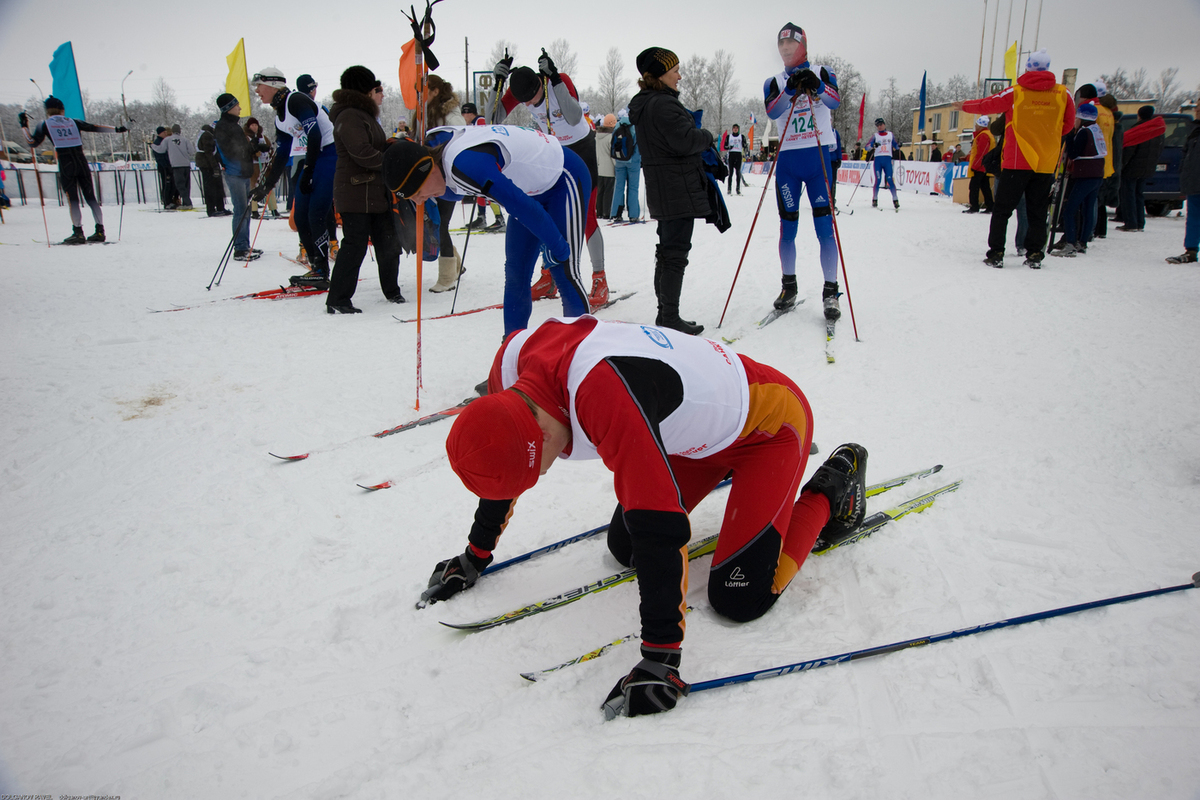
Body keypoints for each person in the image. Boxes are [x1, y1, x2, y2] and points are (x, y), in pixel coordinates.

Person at [427, 314, 869, 719]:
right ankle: (740, 482)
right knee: (625, 549)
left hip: (769, 426)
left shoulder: (601, 393)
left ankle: (833, 487)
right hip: (692, 437)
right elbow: (500, 452)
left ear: (540, 432)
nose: (543, 474)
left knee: (739, 598)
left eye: (540, 469)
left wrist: (661, 657)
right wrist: (474, 555)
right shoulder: (511, 370)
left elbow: (660, 526)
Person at [382, 124, 590, 337]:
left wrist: (559, 248)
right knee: (516, 273)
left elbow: (522, 207)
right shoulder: (439, 166)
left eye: (417, 192)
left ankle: (580, 352)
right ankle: (511, 351)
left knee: (563, 268)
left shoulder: (467, 164)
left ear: (427, 168)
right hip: (529, 190)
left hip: (562, 176)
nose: (418, 201)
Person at [488, 51, 607, 311]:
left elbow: (575, 117)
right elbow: (492, 120)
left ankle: (600, 278)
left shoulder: (556, 80)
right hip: (555, 152)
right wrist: (497, 84)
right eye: (525, 101)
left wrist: (555, 79)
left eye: (534, 97)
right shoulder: (520, 90)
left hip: (582, 148)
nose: (530, 103)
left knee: (586, 216)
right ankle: (549, 277)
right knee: (546, 215)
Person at [631, 46, 720, 334]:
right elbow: (684, 141)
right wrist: (706, 136)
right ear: (660, 75)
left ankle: (666, 314)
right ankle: (669, 317)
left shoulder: (647, 104)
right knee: (675, 254)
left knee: (667, 252)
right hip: (676, 188)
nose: (679, 76)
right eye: (674, 71)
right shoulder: (663, 104)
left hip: (664, 188)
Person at [959, 48, 1074, 268]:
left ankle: (996, 254)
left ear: (1028, 67)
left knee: (1003, 210)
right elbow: (1067, 126)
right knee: (1038, 211)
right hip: (1045, 163)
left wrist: (964, 105)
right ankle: (1034, 255)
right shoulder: (1063, 94)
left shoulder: (1017, 91)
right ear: (1048, 68)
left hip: (1016, 161)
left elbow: (988, 104)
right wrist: (1046, 136)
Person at [763, 24, 842, 318]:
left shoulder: (823, 71)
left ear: (803, 46)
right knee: (788, 228)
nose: (785, 49)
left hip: (818, 158)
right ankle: (789, 287)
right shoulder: (773, 80)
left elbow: (834, 99)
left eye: (791, 45)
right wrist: (791, 89)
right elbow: (772, 110)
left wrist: (817, 86)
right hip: (788, 164)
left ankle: (831, 292)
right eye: (781, 45)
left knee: (824, 228)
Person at [324, 65, 405, 313]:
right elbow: (361, 152)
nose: (379, 92)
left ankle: (392, 290)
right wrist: (392, 161)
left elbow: (375, 146)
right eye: (376, 88)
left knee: (388, 242)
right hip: (355, 191)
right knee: (355, 246)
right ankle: (338, 299)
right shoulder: (350, 115)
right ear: (365, 90)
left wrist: (393, 146)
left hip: (374, 191)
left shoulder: (364, 115)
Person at [250, 67, 339, 288]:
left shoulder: (295, 100)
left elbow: (316, 134)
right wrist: (266, 185)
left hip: (329, 154)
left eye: (259, 86)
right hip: (314, 158)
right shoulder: (279, 117)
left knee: (316, 212)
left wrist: (308, 170)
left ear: (273, 84)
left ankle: (322, 271)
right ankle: (317, 267)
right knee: (300, 216)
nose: (257, 91)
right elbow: (281, 153)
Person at [20, 96, 127, 243]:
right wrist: (118, 129)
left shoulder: (44, 124)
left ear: (47, 110)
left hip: (66, 164)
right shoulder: (74, 121)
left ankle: (78, 232)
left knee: (73, 199)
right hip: (81, 162)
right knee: (91, 198)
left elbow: (32, 142)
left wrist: (24, 125)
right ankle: (100, 231)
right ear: (62, 109)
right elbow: (94, 127)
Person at [424, 74, 467, 293]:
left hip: (448, 179)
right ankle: (455, 263)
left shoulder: (451, 113)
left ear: (435, 91)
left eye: (423, 90)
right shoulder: (425, 112)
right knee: (436, 224)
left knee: (440, 226)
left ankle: (447, 277)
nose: (419, 95)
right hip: (430, 176)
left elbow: (461, 140)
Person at [213, 93, 267, 262]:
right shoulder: (223, 127)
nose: (240, 108)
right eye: (237, 106)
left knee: (245, 210)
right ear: (229, 108)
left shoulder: (234, 126)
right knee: (241, 211)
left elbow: (243, 148)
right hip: (235, 173)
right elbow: (231, 151)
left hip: (243, 173)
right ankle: (240, 248)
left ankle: (244, 244)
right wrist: (250, 148)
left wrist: (255, 146)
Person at [1050, 102, 1106, 258]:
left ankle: (1070, 243)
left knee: (1070, 210)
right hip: (1097, 173)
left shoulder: (1083, 132)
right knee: (1088, 209)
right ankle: (1082, 242)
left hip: (1085, 174)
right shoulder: (1096, 129)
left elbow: (1074, 152)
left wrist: (1069, 137)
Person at [1118, 105, 1166, 233]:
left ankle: (1131, 223)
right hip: (1146, 168)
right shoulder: (1158, 131)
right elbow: (1159, 149)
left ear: (1139, 115)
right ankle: (1140, 222)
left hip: (1132, 168)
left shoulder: (1138, 129)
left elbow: (1129, 150)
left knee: (1128, 196)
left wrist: (1121, 166)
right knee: (1139, 195)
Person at [459, 102, 506, 231]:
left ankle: (499, 219)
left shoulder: (479, 121)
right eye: (463, 113)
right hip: (479, 159)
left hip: (487, 159)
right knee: (478, 189)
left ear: (472, 113)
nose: (465, 116)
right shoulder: (471, 124)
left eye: (467, 113)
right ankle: (481, 218)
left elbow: (484, 138)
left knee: (487, 189)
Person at [1165, 103, 1199, 263]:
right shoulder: (1195, 131)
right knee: (1193, 217)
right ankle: (1191, 250)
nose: (1197, 110)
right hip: (1194, 182)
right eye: (1197, 106)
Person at [151, 123, 196, 211]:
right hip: (186, 165)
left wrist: (152, 145)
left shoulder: (167, 139)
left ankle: (187, 203)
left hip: (176, 165)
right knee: (186, 185)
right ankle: (186, 201)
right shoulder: (185, 140)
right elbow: (191, 151)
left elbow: (161, 150)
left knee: (180, 185)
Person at [609, 109, 642, 222]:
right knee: (633, 188)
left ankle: (616, 213)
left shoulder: (618, 124)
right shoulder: (636, 126)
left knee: (619, 187)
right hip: (633, 162)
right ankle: (633, 214)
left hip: (619, 161)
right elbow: (639, 145)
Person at [244, 117, 278, 219]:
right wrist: (254, 154)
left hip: (265, 164)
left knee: (268, 186)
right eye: (252, 125)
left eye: (256, 125)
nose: (254, 127)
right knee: (255, 187)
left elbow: (270, 149)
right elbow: (245, 151)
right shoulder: (247, 137)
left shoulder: (263, 137)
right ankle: (254, 210)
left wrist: (271, 157)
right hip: (254, 166)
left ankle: (273, 209)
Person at [869, 115, 904, 211]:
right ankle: (875, 198)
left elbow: (896, 146)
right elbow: (867, 147)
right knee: (878, 180)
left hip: (888, 160)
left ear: (884, 124)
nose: (879, 127)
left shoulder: (890, 134)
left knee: (890, 180)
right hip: (878, 160)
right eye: (877, 125)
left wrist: (899, 145)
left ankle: (895, 200)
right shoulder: (875, 136)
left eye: (880, 125)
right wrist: (873, 145)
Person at [194, 121, 229, 217]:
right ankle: (211, 209)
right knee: (210, 188)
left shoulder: (210, 135)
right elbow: (208, 152)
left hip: (210, 164)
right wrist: (215, 166)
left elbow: (216, 152)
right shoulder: (207, 135)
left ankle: (220, 207)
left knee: (218, 186)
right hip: (206, 165)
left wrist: (222, 164)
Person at [964, 115, 995, 213]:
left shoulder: (983, 136)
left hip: (980, 167)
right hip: (985, 166)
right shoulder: (987, 134)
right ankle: (990, 206)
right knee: (985, 187)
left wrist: (975, 166)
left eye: (977, 124)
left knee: (974, 186)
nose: (975, 126)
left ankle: (974, 206)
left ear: (980, 126)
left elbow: (982, 152)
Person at [150, 126, 178, 208]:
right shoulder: (158, 142)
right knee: (167, 184)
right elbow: (159, 157)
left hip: (168, 165)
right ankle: (167, 201)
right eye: (165, 132)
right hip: (164, 167)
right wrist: (166, 166)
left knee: (171, 184)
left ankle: (170, 200)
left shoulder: (164, 141)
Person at [595, 114, 616, 219]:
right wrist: (616, 166)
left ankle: (599, 211)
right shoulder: (611, 137)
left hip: (599, 167)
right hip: (609, 169)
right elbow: (612, 154)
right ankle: (606, 212)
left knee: (600, 191)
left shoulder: (597, 136)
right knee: (608, 191)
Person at [724, 123, 747, 195]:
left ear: (738, 129)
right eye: (734, 128)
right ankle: (729, 189)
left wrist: (744, 145)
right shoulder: (729, 137)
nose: (735, 129)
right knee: (730, 173)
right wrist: (729, 147)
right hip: (731, 155)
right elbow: (725, 146)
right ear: (732, 129)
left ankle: (738, 189)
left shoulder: (741, 136)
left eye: (736, 128)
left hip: (738, 155)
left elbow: (745, 145)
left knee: (738, 173)